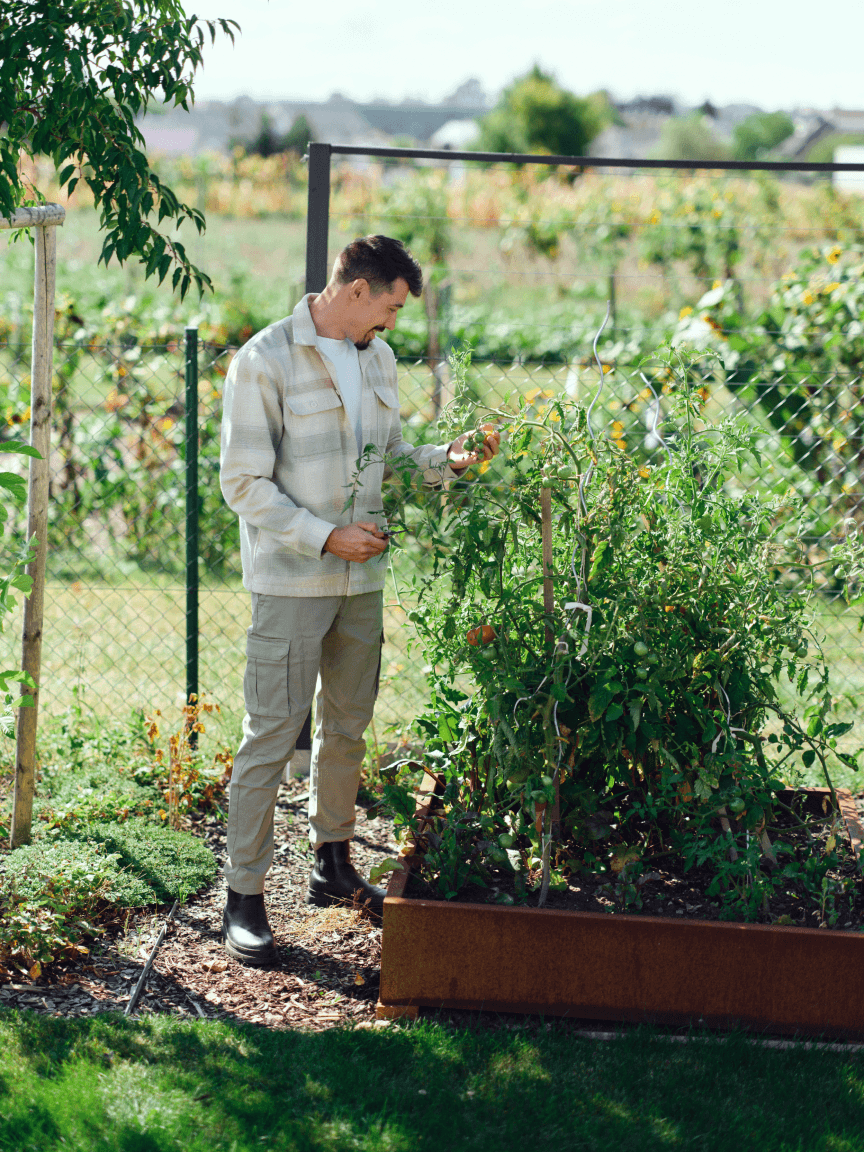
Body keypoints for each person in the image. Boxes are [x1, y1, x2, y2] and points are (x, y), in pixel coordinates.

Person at [219, 234, 500, 965]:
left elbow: (394, 463)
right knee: (271, 735)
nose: (395, 323)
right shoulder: (265, 359)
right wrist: (323, 536)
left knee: (347, 728)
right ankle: (243, 896)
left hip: (361, 584)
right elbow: (242, 482)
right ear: (356, 290)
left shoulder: (378, 359)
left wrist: (449, 462)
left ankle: (331, 864)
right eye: (392, 306)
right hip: (292, 580)